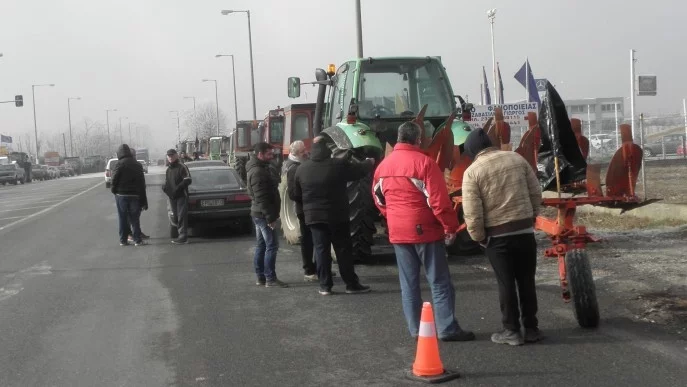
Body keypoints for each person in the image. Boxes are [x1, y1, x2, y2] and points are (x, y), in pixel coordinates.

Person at [372, 122, 475, 342]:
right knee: (439, 281)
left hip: (398, 232)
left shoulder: (383, 167)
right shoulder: (425, 164)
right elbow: (439, 202)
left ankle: (417, 330)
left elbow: (379, 199)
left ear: (399, 138)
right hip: (425, 231)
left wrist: (392, 216)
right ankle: (446, 327)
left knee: (408, 284)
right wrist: (449, 227)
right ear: (418, 140)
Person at [461, 128, 543, 346]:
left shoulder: (472, 171)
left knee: (506, 283)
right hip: (525, 232)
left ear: (472, 150)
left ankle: (511, 331)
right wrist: (531, 217)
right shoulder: (516, 159)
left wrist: (478, 237)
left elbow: (472, 211)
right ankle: (532, 328)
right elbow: (536, 192)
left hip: (498, 237)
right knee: (526, 281)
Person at [293, 136, 373, 296]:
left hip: (314, 218)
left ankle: (325, 286)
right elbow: (358, 171)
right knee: (343, 250)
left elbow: (295, 194)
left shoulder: (301, 169)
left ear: (311, 151)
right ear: (328, 150)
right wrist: (369, 162)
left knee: (321, 250)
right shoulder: (338, 165)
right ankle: (351, 284)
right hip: (337, 216)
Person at [246, 142, 287, 288]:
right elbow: (262, 197)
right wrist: (270, 218)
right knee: (272, 245)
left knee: (262, 245)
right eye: (269, 154)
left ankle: (261, 278)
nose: (272, 156)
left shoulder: (259, 168)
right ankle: (270, 278)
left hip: (259, 213)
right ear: (260, 154)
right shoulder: (258, 172)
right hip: (263, 215)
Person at [284, 140, 318, 281]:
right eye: (303, 151)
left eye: (305, 150)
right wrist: (310, 195)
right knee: (307, 240)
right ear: (296, 154)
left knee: (316, 239)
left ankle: (318, 266)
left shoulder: (301, 165)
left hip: (309, 207)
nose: (306, 153)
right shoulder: (293, 169)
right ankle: (309, 270)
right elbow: (293, 194)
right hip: (303, 209)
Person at [111, 144, 148, 246]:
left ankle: (123, 240)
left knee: (122, 218)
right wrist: (143, 200)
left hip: (121, 195)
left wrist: (114, 190)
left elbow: (113, 180)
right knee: (135, 219)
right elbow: (142, 184)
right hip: (134, 195)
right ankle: (137, 240)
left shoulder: (118, 164)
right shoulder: (137, 165)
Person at [163, 149, 192, 244]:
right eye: (169, 156)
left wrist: (178, 188)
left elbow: (188, 179)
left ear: (176, 156)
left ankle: (183, 236)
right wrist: (165, 188)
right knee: (174, 216)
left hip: (181, 196)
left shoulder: (182, 167)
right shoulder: (168, 169)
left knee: (181, 216)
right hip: (172, 197)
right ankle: (179, 234)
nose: (170, 157)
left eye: (172, 155)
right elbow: (167, 182)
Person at [125, 147, 150, 242]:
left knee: (136, 215)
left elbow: (141, 181)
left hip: (138, 194)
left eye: (135, 155)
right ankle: (130, 234)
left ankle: (137, 232)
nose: (135, 157)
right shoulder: (126, 165)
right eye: (133, 155)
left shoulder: (137, 165)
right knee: (130, 216)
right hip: (130, 195)